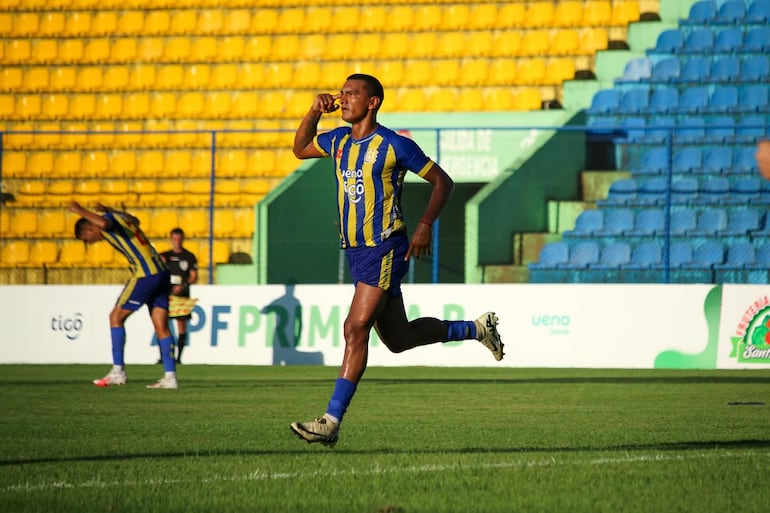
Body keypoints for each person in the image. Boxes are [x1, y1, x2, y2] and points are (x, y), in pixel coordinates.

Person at [289, 73, 504, 448]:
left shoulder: (393, 145)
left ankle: (330, 421)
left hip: (385, 245)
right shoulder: (339, 140)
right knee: (398, 339)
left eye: (352, 94)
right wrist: (313, 111)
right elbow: (301, 148)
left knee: (355, 329)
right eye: (342, 93)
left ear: (373, 102)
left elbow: (443, 182)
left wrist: (424, 225)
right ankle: (476, 329)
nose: (343, 99)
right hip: (357, 251)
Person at [68, 201, 179, 389]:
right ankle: (170, 377)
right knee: (161, 326)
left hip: (146, 274)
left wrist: (79, 210)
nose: (89, 242)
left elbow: (103, 225)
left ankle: (118, 372)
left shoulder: (105, 224)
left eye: (86, 238)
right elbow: (135, 220)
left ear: (90, 228)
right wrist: (112, 210)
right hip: (161, 272)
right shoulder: (119, 217)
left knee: (115, 317)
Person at [159, 227, 198, 364]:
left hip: (182, 296)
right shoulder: (165, 256)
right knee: (162, 324)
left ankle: (178, 358)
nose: (177, 242)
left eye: (179, 239)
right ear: (171, 239)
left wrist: (183, 286)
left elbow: (194, 276)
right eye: (174, 239)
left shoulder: (189, 256)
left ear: (182, 239)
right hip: (166, 294)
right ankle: (164, 357)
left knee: (181, 325)